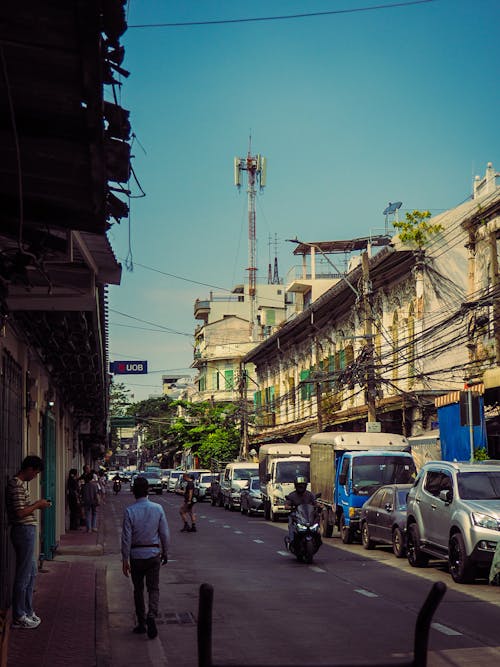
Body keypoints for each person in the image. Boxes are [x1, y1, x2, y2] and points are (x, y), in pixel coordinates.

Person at [121, 476, 170, 639]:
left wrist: (124, 560)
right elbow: (164, 534)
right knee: (153, 588)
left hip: (136, 556)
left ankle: (141, 623)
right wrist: (166, 552)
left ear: (134, 491)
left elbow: (126, 538)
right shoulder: (158, 508)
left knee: (138, 590)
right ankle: (152, 615)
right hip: (153, 554)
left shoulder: (130, 511)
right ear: (148, 490)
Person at [6, 455, 52, 629]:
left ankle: (26, 610)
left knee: (31, 572)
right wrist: (37, 505)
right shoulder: (16, 486)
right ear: (29, 469)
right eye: (36, 473)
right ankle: (19, 615)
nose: (35, 477)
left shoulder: (19, 486)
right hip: (23, 531)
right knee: (24, 574)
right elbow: (20, 513)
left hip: (26, 531)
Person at [285, 476, 317, 545]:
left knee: (316, 521)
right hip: (296, 515)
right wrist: (288, 507)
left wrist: (319, 506)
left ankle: (316, 538)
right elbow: (287, 504)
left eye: (303, 485)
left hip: (307, 515)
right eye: (299, 485)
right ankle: (291, 540)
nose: (301, 487)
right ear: (296, 486)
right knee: (291, 524)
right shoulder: (292, 495)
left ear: (305, 486)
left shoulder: (309, 494)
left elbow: (315, 502)